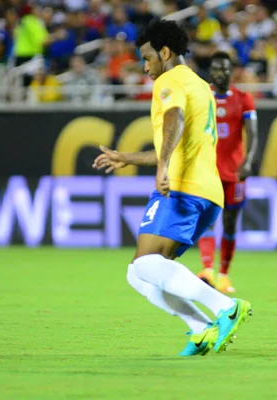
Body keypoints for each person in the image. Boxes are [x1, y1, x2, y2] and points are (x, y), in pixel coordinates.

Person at [92, 19, 252, 357]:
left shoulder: (171, 80)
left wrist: (163, 167)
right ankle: (201, 329)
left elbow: (174, 120)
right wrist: (127, 157)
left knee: (146, 265)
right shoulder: (200, 85)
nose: (146, 67)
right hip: (207, 193)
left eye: (148, 58)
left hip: (182, 188)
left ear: (165, 52)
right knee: (139, 274)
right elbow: (179, 141)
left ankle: (225, 306)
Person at [197, 51, 258, 294]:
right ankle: (207, 270)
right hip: (207, 171)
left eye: (224, 68)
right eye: (215, 69)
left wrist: (248, 160)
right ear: (209, 72)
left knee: (230, 223)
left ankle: (224, 274)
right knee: (206, 219)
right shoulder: (202, 97)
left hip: (234, 171)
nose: (219, 73)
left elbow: (253, 132)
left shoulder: (244, 99)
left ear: (231, 71)